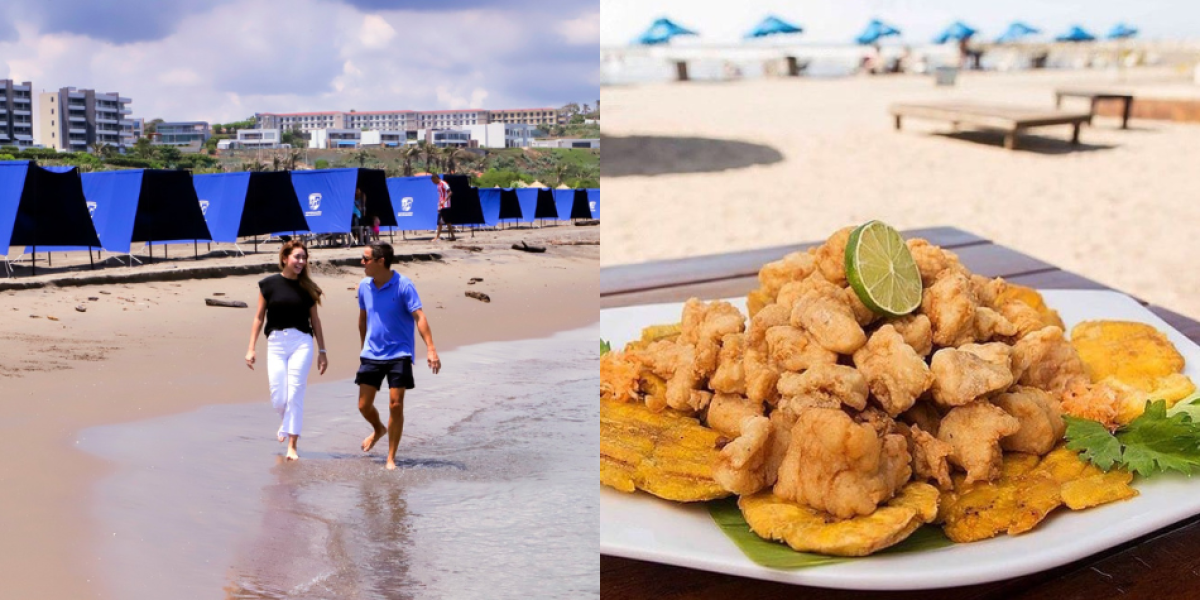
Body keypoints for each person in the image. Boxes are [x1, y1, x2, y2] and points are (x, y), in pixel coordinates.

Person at [355, 241, 441, 470]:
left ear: (380, 261)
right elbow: (363, 319)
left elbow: (419, 317)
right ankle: (378, 429)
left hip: (399, 353)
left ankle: (390, 458)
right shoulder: (364, 286)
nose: (361, 262)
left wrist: (430, 348)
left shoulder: (404, 285)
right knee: (363, 405)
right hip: (372, 353)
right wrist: (363, 348)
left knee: (396, 405)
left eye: (365, 259)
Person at [246, 240, 328, 461]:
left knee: (295, 394)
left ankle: (292, 445)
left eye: (304, 258)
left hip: (301, 342)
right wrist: (251, 348)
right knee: (278, 397)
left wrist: (322, 351)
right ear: (285, 258)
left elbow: (316, 321)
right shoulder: (268, 285)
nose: (301, 262)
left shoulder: (308, 288)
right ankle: (286, 421)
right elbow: (258, 318)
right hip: (276, 343)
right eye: (297, 257)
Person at [432, 173, 455, 241]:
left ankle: (452, 236)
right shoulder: (438, 185)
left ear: (436, 178)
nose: (433, 182)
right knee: (440, 221)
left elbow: (450, 192)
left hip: (445, 205)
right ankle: (438, 237)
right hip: (441, 205)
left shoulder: (443, 183)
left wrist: (444, 201)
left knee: (446, 221)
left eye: (433, 180)